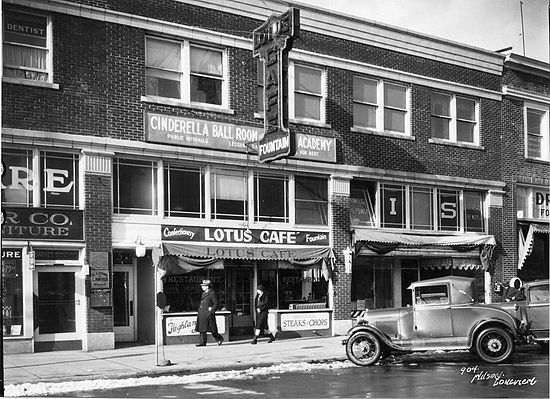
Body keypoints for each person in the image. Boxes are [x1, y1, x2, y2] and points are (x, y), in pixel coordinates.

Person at [195, 279, 224, 346]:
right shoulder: (203, 293)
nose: (202, 287)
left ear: (207, 286)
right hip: (202, 313)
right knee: (202, 329)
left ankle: (219, 338)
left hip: (208, 314)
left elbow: (216, 304)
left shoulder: (212, 293)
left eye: (204, 286)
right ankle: (202, 342)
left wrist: (211, 311)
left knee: (213, 329)